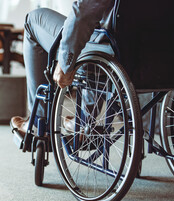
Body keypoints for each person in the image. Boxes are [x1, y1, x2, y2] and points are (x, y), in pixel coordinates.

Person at [10, 0, 114, 135]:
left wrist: (65, 61)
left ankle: (38, 122)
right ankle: (83, 120)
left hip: (105, 50)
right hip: (139, 60)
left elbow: (84, 12)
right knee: (98, 29)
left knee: (33, 20)